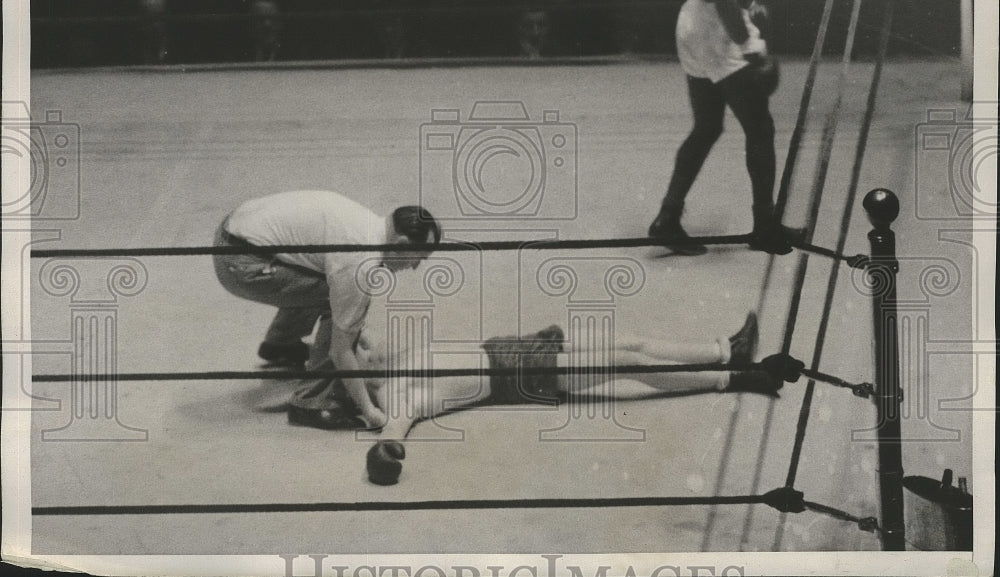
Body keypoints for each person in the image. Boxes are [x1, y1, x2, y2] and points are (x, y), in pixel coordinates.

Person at [361, 312, 780, 485]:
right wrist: (386, 451)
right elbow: (396, 427)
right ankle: (733, 378)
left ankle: (726, 349)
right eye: (360, 348)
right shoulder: (396, 394)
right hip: (522, 375)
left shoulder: (401, 360)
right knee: (625, 362)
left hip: (517, 347)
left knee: (631, 341)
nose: (368, 342)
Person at [649, 0, 799, 256]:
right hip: (715, 23)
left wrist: (750, 5)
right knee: (760, 127)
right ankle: (764, 228)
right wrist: (751, 47)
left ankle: (667, 217)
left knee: (708, 126)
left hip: (698, 20)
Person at [213, 190, 441, 430]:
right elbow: (340, 351)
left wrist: (358, 332)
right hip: (238, 261)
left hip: (234, 232)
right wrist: (371, 412)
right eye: (418, 258)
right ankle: (311, 402)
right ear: (401, 245)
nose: (415, 267)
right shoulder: (359, 263)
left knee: (330, 289)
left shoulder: (369, 225)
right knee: (334, 299)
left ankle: (281, 345)